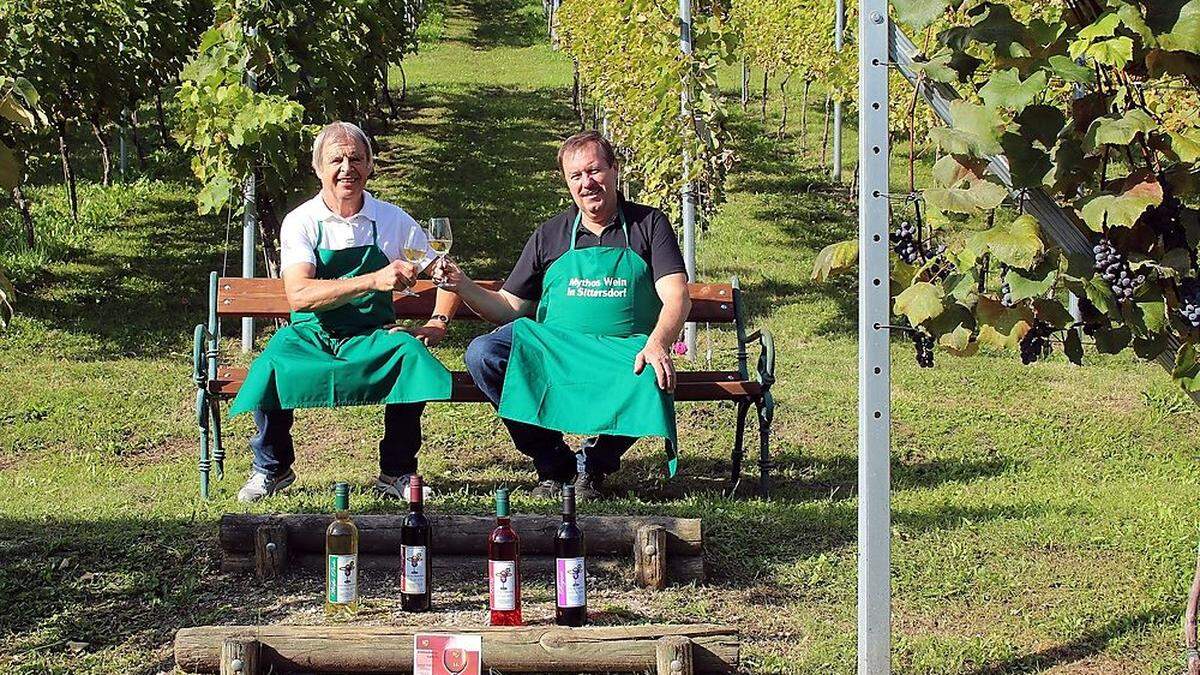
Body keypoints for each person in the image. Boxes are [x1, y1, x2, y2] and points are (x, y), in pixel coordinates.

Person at [435, 130, 690, 500]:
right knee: (483, 354)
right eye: (576, 175)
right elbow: (508, 307)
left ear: (615, 170)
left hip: (621, 353)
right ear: (566, 182)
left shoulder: (649, 225)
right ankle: (552, 461)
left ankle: (595, 464)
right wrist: (463, 285)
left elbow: (677, 296)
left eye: (595, 170)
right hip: (557, 352)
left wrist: (658, 343)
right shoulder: (549, 234)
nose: (587, 183)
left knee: (651, 373)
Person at [228, 121, 459, 503]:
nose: (347, 168)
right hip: (312, 335)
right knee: (270, 363)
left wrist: (437, 320)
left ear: (370, 165)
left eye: (356, 158)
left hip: (372, 334)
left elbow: (444, 271)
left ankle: (398, 470)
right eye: (336, 159)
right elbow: (300, 296)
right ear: (318, 168)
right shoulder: (302, 221)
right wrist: (372, 280)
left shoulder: (392, 220)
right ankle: (272, 467)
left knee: (410, 355)